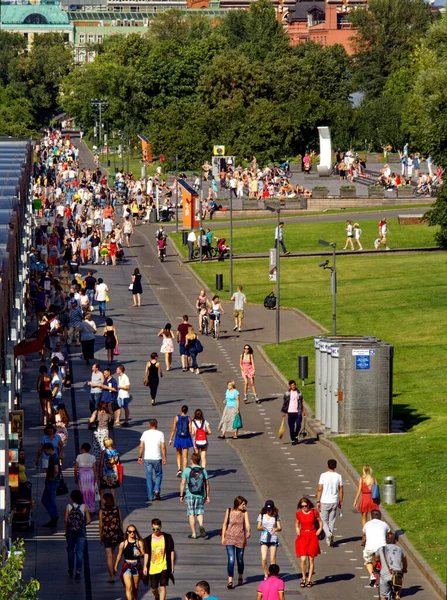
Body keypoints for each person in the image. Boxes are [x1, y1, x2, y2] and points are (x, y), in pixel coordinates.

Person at [221, 496, 251, 589]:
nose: (244, 506)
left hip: (240, 538)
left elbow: (247, 523)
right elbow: (225, 523)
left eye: (245, 504)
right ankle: (230, 580)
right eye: (243, 504)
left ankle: (240, 576)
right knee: (231, 559)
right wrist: (223, 537)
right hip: (229, 537)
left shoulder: (244, 513)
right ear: (238, 504)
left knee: (240, 559)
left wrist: (248, 531)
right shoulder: (229, 510)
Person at [143, 518, 175, 600]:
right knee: (153, 588)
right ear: (151, 527)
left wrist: (172, 565)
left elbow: (171, 551)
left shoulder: (167, 537)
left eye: (157, 529)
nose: (156, 531)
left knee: (163, 586)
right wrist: (145, 566)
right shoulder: (147, 540)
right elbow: (146, 553)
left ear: (160, 527)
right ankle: (157, 596)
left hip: (164, 565)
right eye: (154, 529)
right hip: (153, 567)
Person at [180, 453, 210, 539]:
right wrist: (207, 495)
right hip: (200, 494)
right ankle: (201, 525)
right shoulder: (203, 470)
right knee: (199, 512)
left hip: (190, 494)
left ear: (191, 460)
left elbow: (183, 483)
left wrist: (181, 495)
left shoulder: (186, 470)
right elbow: (207, 484)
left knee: (191, 513)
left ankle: (194, 534)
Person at [295, 497, 323, 588]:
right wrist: (297, 529)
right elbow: (297, 523)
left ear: (309, 505)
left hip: (312, 535)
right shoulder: (298, 514)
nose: (304, 508)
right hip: (303, 536)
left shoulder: (314, 512)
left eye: (305, 506)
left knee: (311, 559)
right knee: (303, 559)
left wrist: (319, 530)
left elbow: (320, 522)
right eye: (302, 506)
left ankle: (309, 579)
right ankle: (303, 577)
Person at [64, 489, 91, 580]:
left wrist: (66, 529)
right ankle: (78, 570)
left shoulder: (68, 506)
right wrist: (82, 525)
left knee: (70, 550)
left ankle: (70, 569)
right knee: (79, 551)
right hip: (81, 531)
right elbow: (88, 520)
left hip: (71, 531)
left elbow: (65, 520)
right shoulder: (84, 507)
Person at [316, 459, 343, 547]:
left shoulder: (323, 475)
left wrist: (318, 500)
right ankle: (329, 541)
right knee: (332, 520)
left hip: (324, 501)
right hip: (334, 500)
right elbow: (341, 489)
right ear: (335, 466)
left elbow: (320, 489)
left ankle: (329, 534)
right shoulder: (339, 476)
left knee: (323, 519)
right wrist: (340, 501)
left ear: (327, 465)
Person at [114, 525, 146, 600]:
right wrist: (116, 566)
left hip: (136, 565)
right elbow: (119, 555)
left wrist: (140, 554)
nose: (132, 533)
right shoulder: (123, 544)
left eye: (134, 531)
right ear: (127, 532)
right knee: (129, 588)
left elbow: (144, 554)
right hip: (127, 566)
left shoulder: (139, 543)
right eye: (130, 531)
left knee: (135, 587)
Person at [138, 419, 166, 502]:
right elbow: (163, 447)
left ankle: (150, 496)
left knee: (148, 477)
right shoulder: (160, 434)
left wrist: (140, 456)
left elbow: (141, 446)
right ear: (156, 425)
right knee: (158, 474)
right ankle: (156, 489)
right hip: (157, 458)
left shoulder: (145, 433)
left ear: (149, 425)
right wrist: (164, 457)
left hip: (147, 458)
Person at [99, 493, 124, 584]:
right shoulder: (117, 510)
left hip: (107, 535)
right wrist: (123, 533)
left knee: (108, 555)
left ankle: (111, 576)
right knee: (114, 552)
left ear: (105, 500)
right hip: (116, 534)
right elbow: (120, 522)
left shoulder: (102, 511)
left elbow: (101, 525)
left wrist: (100, 535)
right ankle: (114, 567)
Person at [375, 531, 407, 600]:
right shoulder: (400, 549)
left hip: (385, 575)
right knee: (400, 577)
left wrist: (374, 569)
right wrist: (404, 569)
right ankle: (397, 594)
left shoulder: (380, 549)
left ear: (386, 541)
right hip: (396, 573)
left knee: (383, 596)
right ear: (395, 541)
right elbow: (404, 561)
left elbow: (376, 560)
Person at [363, 510, 391, 587]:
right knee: (384, 560)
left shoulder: (367, 524)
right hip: (382, 546)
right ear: (380, 517)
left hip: (370, 547)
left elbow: (364, 535)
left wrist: (363, 542)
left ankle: (372, 575)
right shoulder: (384, 524)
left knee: (368, 560)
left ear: (371, 517)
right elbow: (389, 534)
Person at [353, 464, 380, 536]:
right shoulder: (374, 479)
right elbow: (376, 490)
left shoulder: (362, 479)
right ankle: (371, 533)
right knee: (372, 517)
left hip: (365, 498)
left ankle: (364, 533)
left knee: (364, 517)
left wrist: (355, 501)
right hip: (372, 499)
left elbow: (359, 491)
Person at [257, 500, 282, 579]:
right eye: (267, 510)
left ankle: (273, 575)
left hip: (273, 539)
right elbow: (258, 527)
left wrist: (276, 529)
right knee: (264, 558)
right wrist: (261, 528)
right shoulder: (261, 515)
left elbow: (280, 527)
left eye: (270, 510)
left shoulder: (276, 516)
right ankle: (266, 574)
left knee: (272, 559)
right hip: (264, 539)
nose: (268, 511)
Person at [169, 405, 193, 477]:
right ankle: (185, 471)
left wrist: (171, 439)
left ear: (181, 410)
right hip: (186, 438)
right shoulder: (189, 419)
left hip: (178, 437)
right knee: (185, 456)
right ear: (187, 411)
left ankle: (179, 469)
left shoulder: (176, 418)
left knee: (178, 454)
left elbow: (173, 429)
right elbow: (191, 431)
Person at [41, 442, 61, 527]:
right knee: (45, 499)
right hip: (50, 482)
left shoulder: (54, 457)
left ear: (48, 449)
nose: (44, 453)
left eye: (45, 451)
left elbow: (56, 470)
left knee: (51, 500)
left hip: (52, 482)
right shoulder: (53, 457)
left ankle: (54, 516)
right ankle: (53, 516)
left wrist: (53, 477)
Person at [280, 380, 306, 446]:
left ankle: (295, 435)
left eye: (294, 385)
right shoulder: (287, 393)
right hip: (290, 412)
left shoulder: (299, 393)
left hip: (298, 412)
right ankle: (293, 439)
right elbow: (285, 404)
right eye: (291, 385)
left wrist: (303, 410)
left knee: (298, 425)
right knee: (291, 427)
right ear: (289, 386)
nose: (293, 386)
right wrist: (284, 412)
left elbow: (301, 402)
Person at [74, 442, 97, 515]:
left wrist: (75, 477)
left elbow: (76, 468)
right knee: (90, 491)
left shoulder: (79, 456)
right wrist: (96, 479)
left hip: (82, 474)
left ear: (83, 449)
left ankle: (83, 507)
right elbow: (94, 468)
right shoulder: (93, 457)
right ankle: (91, 508)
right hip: (90, 474)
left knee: (83, 491)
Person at [99, 437, 120, 505]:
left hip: (106, 473)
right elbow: (118, 463)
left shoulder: (104, 452)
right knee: (113, 490)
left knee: (102, 490)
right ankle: (114, 505)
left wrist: (100, 473)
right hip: (114, 473)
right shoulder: (116, 451)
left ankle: (102, 505)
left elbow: (101, 464)